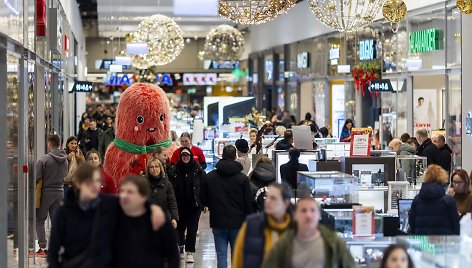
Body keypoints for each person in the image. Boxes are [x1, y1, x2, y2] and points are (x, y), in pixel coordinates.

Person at [48, 163, 166, 267]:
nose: (95, 185)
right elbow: (54, 250)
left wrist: (152, 207)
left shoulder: (108, 203)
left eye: (98, 181)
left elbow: (133, 200)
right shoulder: (63, 212)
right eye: (90, 181)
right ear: (78, 183)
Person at [262, 197, 355, 268]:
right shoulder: (283, 244)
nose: (308, 215)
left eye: (312, 210)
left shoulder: (335, 244)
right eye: (303, 211)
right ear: (295, 215)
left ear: (319, 215)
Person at [201, 145, 253, 268]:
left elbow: (203, 198)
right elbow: (248, 202)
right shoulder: (243, 179)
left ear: (222, 156)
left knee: (221, 255)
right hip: (238, 222)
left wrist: (211, 204)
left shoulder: (210, 177)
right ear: (235, 156)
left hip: (218, 220)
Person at [114, 175, 180, 268]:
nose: (124, 195)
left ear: (143, 196)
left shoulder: (159, 220)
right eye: (122, 191)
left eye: (130, 192)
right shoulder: (115, 218)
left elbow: (173, 255)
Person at [232, 183, 294, 268]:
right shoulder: (251, 225)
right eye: (266, 197)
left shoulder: (296, 228)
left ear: (286, 203)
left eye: (273, 198)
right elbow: (238, 260)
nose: (267, 201)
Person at [168, 147, 206, 263]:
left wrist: (204, 203)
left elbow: (204, 186)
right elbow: (170, 187)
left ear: (190, 156)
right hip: (179, 204)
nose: (185, 158)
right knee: (180, 227)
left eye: (187, 156)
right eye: (183, 156)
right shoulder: (175, 169)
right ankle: (181, 247)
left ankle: (190, 251)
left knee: (192, 228)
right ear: (180, 156)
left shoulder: (198, 169)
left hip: (194, 205)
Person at [36, 135, 68, 257]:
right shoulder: (65, 159)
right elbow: (66, 174)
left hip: (46, 193)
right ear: (60, 144)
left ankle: (43, 248)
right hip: (60, 192)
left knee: (40, 220)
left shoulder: (44, 160)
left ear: (49, 144)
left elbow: (37, 176)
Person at [409, 165, 460, 235]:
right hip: (444, 242)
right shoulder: (448, 200)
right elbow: (456, 225)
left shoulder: (417, 200)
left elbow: (412, 224)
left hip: (423, 243)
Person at [145, 158, 178, 228]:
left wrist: (174, 218)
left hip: (164, 215)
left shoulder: (167, 183)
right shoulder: (143, 183)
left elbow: (172, 201)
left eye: (156, 166)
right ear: (148, 169)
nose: (154, 169)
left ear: (160, 168)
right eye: (151, 167)